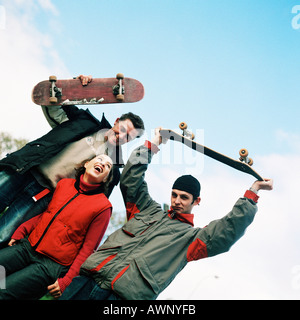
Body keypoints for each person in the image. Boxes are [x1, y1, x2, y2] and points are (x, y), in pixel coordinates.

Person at [60, 128, 273, 300]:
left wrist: (252, 193)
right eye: (174, 195)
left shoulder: (192, 240)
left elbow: (228, 229)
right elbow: (131, 178)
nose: (177, 201)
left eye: (184, 197)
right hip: (86, 281)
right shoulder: (147, 209)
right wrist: (153, 145)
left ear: (196, 201)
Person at [0, 75, 145, 247]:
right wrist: (75, 86)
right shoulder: (84, 123)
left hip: (42, 194)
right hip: (24, 169)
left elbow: (88, 201)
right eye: (122, 130)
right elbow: (52, 105)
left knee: (4, 235)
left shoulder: (111, 171)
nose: (122, 136)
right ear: (116, 122)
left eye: (128, 137)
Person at [0, 153, 114, 300]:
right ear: (86, 164)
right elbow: (47, 215)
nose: (103, 163)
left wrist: (67, 280)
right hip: (27, 247)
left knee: (3, 292)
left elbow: (88, 249)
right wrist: (21, 230)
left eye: (108, 166)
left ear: (105, 179)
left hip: (50, 266)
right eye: (100, 159)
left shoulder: (103, 207)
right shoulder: (64, 184)